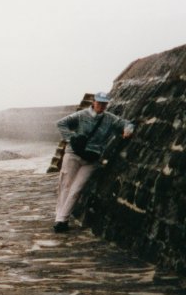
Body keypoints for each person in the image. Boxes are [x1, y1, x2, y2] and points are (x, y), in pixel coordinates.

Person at [52, 91, 134, 233]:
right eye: (99, 102)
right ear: (94, 102)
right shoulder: (81, 115)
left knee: (77, 189)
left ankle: (62, 218)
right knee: (65, 186)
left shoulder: (109, 118)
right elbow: (61, 123)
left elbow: (127, 123)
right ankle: (61, 219)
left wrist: (128, 130)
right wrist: (71, 138)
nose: (102, 105)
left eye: (104, 103)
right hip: (73, 155)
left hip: (92, 158)